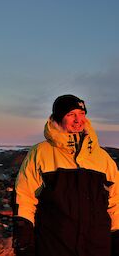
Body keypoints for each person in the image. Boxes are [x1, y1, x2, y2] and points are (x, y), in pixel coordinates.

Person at [12, 94, 119, 256]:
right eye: (71, 115)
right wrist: (24, 237)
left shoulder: (102, 158)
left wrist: (116, 235)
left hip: (97, 245)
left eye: (82, 114)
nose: (78, 120)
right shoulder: (40, 153)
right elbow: (24, 196)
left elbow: (116, 200)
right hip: (54, 244)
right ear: (58, 117)